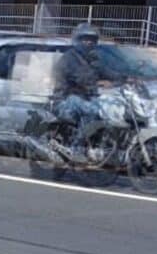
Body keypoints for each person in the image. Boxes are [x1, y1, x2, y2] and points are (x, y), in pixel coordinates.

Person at [53, 23, 125, 162]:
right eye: (85, 39)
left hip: (85, 97)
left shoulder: (93, 59)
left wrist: (125, 78)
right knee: (92, 110)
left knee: (109, 110)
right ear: (77, 40)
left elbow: (108, 73)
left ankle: (101, 145)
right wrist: (97, 83)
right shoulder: (69, 58)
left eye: (92, 40)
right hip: (64, 99)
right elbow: (79, 78)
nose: (89, 42)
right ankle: (76, 147)